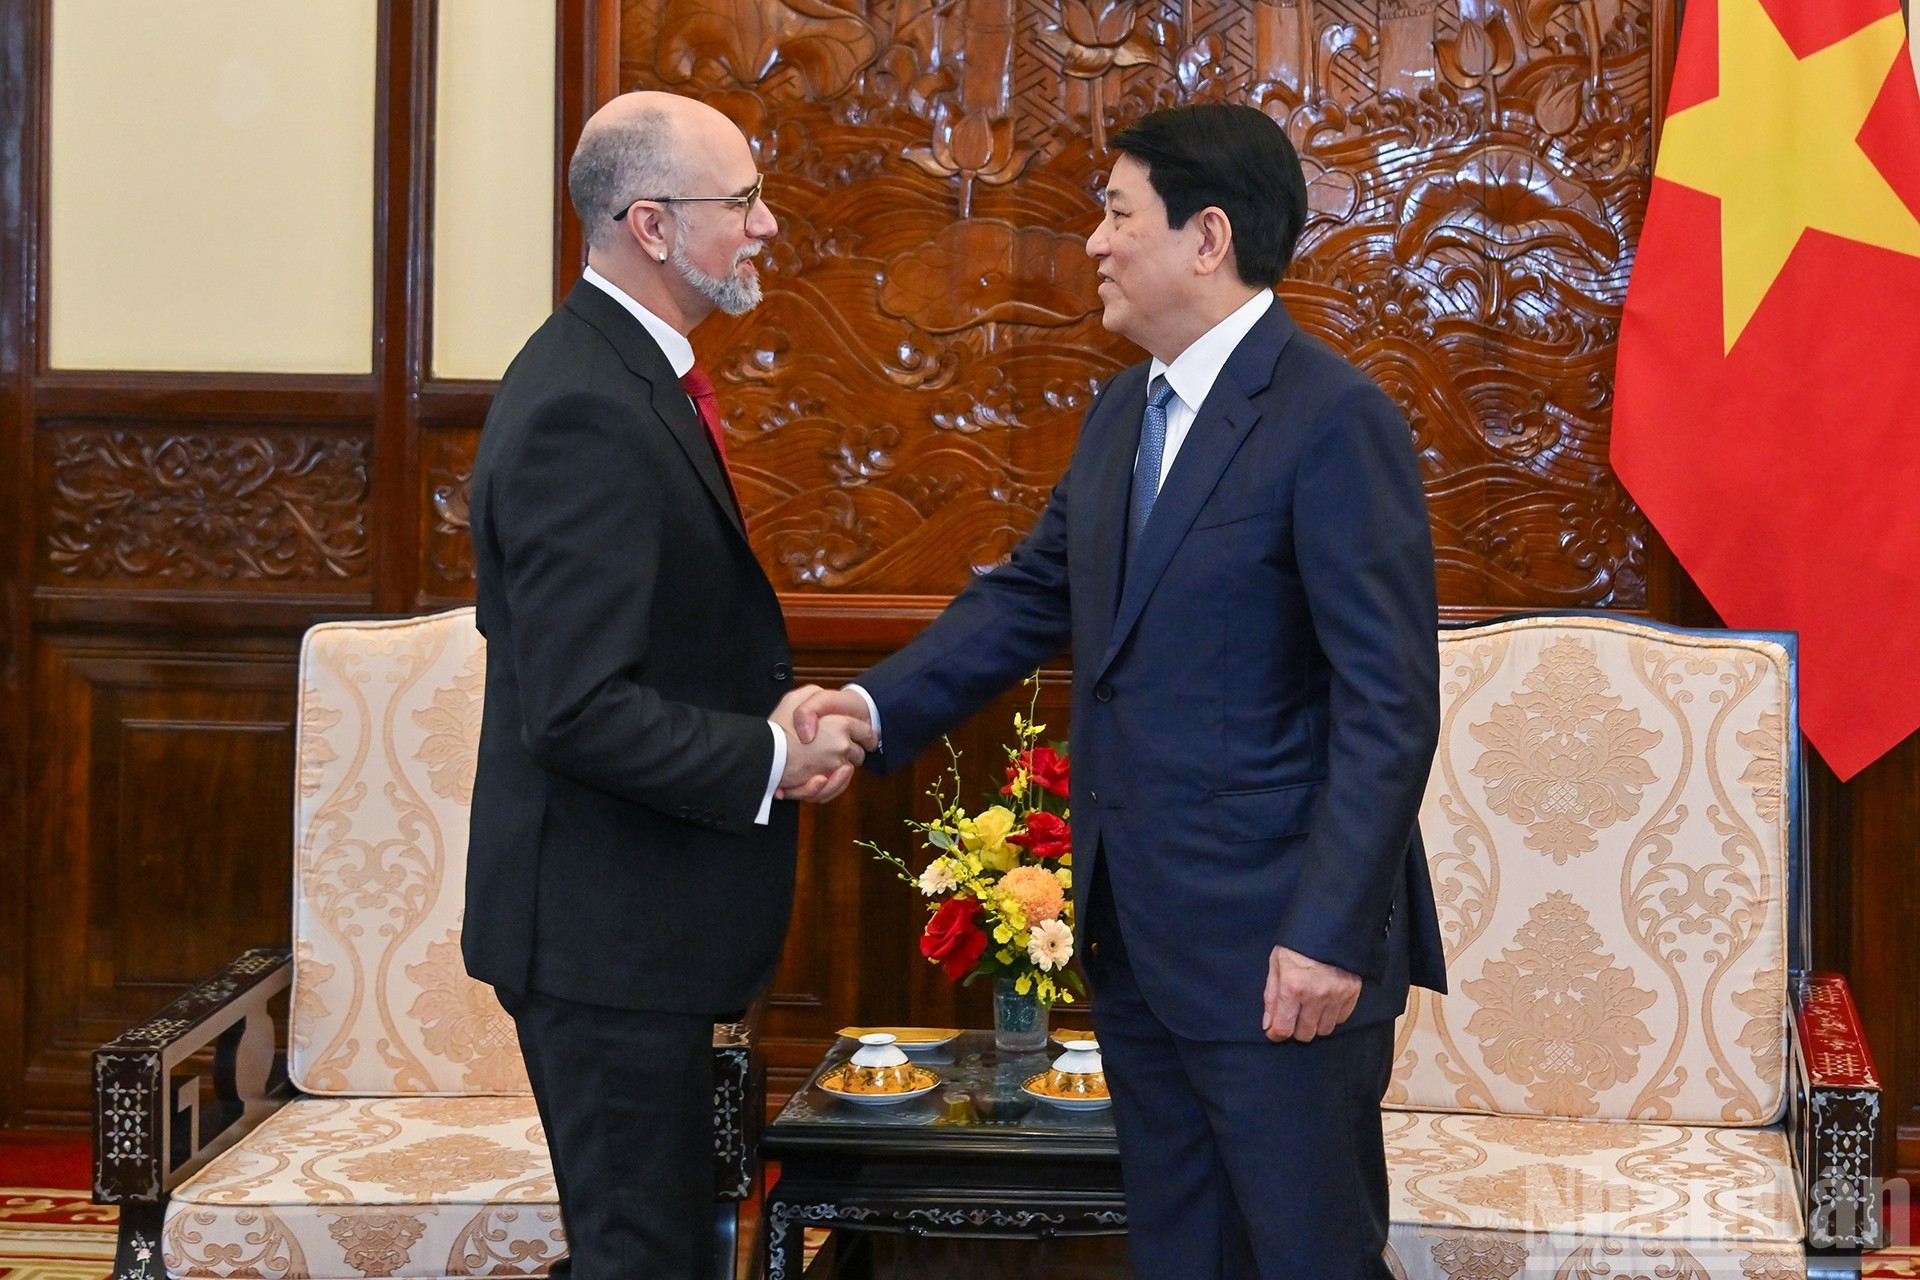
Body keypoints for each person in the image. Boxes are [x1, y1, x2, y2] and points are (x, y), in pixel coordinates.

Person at [795, 103, 1445, 1278]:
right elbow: (1030, 595)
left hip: (1279, 960)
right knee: (1179, 1253)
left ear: (1207, 236)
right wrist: (869, 707)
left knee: (1305, 1254)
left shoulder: (1334, 419)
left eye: (1114, 211)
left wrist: (1327, 933)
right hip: (1140, 938)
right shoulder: (1119, 413)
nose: (1094, 241)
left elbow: (1387, 700)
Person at [463, 91, 868, 1280]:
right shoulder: (583, 405)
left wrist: (765, 721)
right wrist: (769, 761)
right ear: (651, 223)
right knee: (642, 1258)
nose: (766, 226)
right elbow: (580, 706)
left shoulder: (630, 373)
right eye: (740, 202)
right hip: (601, 939)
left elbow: (658, 646)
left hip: (638, 930)